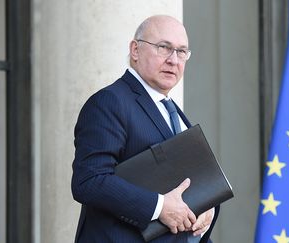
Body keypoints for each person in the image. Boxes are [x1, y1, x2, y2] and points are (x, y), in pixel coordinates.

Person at [71, 15, 219, 243]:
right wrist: (159, 207)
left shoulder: (171, 109)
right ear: (135, 50)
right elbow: (89, 181)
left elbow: (190, 179)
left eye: (181, 52)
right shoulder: (110, 102)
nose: (174, 60)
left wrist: (206, 207)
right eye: (164, 47)